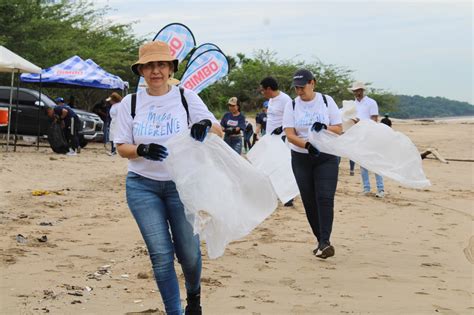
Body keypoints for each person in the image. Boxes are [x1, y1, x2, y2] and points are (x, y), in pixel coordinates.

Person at [114, 41, 223, 315]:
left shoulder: (186, 97)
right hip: (142, 187)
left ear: (171, 68)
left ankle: (194, 296)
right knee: (161, 256)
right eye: (149, 65)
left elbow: (218, 131)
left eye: (161, 64)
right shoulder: (131, 103)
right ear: (141, 70)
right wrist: (142, 149)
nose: (156, 70)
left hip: (181, 186)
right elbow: (121, 147)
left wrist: (204, 125)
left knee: (188, 252)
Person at [283, 69, 342, 259]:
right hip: (301, 157)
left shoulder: (326, 101)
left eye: (302, 87)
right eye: (296, 88)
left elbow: (338, 128)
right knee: (309, 201)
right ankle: (320, 240)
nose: (299, 91)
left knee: (325, 198)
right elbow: (290, 134)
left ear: (312, 83)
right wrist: (307, 145)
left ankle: (325, 241)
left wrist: (324, 128)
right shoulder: (291, 105)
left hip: (327, 156)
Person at [259, 76, 294, 206]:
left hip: (282, 138)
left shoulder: (285, 100)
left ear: (269, 89)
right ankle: (275, 192)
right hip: (270, 138)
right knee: (271, 166)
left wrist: (282, 129)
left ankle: (288, 196)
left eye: (263, 90)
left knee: (283, 166)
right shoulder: (271, 100)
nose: (262, 93)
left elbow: (291, 117)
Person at [349, 81, 385, 198]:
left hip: (370, 135)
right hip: (358, 136)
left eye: (358, 90)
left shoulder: (371, 103)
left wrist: (361, 123)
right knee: (362, 162)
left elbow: (374, 120)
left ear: (362, 91)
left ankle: (380, 189)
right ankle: (366, 188)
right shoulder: (352, 105)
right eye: (355, 91)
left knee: (375, 161)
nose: (356, 93)